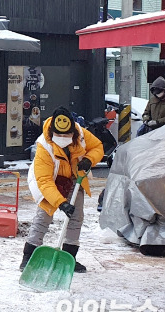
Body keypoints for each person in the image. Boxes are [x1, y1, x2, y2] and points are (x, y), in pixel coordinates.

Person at [21, 106, 104, 273]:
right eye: (59, 135)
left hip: (75, 178)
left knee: (76, 217)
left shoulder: (80, 134)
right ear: (53, 132)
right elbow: (44, 181)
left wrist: (89, 159)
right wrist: (61, 203)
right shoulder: (44, 146)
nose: (64, 138)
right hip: (50, 180)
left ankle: (69, 257)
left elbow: (98, 147)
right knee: (44, 216)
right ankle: (28, 257)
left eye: (67, 135)